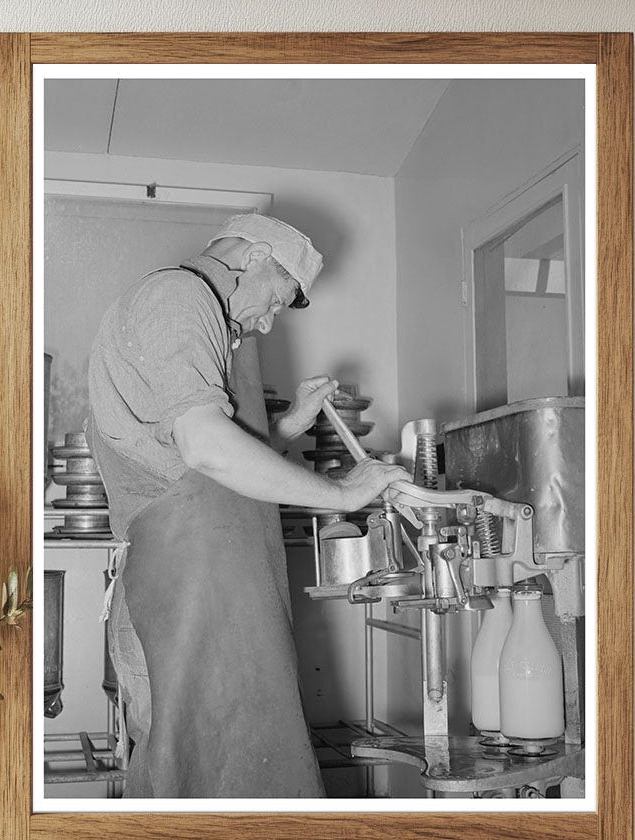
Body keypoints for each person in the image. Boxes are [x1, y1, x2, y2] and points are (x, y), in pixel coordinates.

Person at [87, 213, 407, 798]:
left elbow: (194, 461)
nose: (268, 319)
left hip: (204, 580)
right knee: (185, 784)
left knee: (227, 776)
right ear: (255, 255)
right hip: (176, 588)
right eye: (279, 299)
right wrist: (343, 493)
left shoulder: (206, 314)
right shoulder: (178, 297)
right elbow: (205, 449)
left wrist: (286, 426)